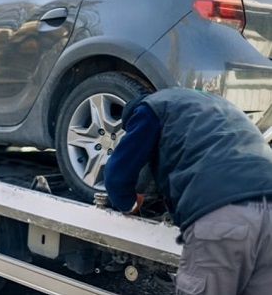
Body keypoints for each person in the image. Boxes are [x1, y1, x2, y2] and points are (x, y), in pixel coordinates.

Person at [103, 87, 272, 295]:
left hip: (223, 214)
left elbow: (116, 175)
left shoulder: (149, 109)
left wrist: (127, 203)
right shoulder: (214, 105)